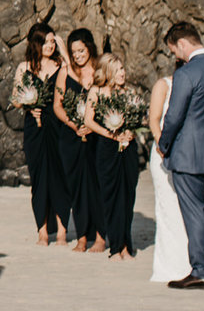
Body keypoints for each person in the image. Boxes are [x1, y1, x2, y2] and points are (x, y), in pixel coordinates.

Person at [156, 19, 204, 289]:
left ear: (182, 43)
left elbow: (175, 116)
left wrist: (164, 145)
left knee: (195, 212)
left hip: (188, 154)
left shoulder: (186, 74)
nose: (175, 56)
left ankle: (202, 269)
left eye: (174, 50)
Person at [11, 25, 67, 244]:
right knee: (39, 177)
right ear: (35, 43)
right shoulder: (24, 68)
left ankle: (62, 230)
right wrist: (28, 104)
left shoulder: (61, 65)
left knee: (59, 176)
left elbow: (73, 83)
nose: (50, 45)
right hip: (35, 128)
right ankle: (42, 230)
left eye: (53, 41)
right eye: (46, 42)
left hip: (57, 127)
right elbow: (15, 99)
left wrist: (63, 51)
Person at [53, 28, 106, 253]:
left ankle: (102, 237)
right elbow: (57, 105)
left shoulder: (101, 70)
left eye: (81, 50)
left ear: (90, 47)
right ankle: (82, 236)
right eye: (73, 52)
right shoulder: (65, 72)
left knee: (97, 185)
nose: (77, 56)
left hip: (98, 137)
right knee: (77, 187)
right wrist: (74, 125)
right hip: (71, 138)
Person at [92, 52, 147, 260]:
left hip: (129, 149)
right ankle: (115, 247)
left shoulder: (130, 93)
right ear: (107, 73)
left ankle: (126, 245)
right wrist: (111, 134)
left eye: (122, 69)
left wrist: (131, 131)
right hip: (107, 148)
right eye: (117, 70)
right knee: (111, 197)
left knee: (128, 196)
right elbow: (89, 120)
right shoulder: (97, 92)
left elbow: (139, 119)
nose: (122, 73)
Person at [145, 55, 193, 284]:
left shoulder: (195, 87)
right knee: (168, 209)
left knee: (187, 210)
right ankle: (171, 265)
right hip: (164, 153)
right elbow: (154, 119)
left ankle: (190, 262)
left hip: (188, 155)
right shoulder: (164, 85)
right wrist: (162, 144)